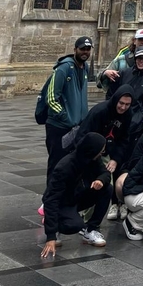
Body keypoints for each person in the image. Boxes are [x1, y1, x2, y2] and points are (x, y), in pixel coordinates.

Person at [41, 132, 112, 258]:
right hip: (63, 202)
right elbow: (51, 199)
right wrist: (50, 236)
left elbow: (105, 173)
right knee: (74, 225)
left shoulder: (94, 159)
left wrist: (100, 180)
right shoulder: (65, 167)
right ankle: (56, 226)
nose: (102, 153)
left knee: (107, 189)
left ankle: (91, 229)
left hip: (79, 195)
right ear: (92, 150)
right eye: (101, 151)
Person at [74, 85, 134, 222]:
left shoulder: (128, 114)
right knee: (91, 184)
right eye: (121, 103)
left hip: (107, 153)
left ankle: (92, 221)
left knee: (106, 185)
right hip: (90, 153)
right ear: (116, 100)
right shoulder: (99, 111)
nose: (123, 107)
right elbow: (82, 135)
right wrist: (88, 157)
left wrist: (115, 159)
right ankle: (86, 219)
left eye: (127, 104)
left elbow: (124, 139)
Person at [42, 37, 93, 188]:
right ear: (75, 49)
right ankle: (50, 198)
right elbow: (51, 98)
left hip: (75, 127)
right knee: (56, 164)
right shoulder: (63, 68)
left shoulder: (85, 67)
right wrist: (66, 117)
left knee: (70, 165)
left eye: (88, 49)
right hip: (59, 127)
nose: (85, 52)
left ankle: (64, 196)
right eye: (82, 49)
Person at [114, 48, 143, 135]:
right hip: (120, 113)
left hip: (136, 119)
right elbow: (113, 94)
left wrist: (139, 116)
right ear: (135, 59)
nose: (141, 61)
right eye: (139, 58)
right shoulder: (124, 73)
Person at [98, 28, 143, 93]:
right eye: (140, 39)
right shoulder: (120, 60)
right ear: (134, 41)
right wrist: (105, 73)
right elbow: (100, 81)